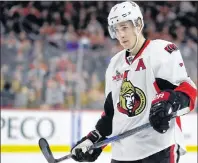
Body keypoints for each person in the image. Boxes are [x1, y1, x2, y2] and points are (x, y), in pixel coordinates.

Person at [70, 1, 197, 163]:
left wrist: (169, 102)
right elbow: (112, 115)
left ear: (138, 25)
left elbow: (188, 91)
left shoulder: (160, 52)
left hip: (157, 149)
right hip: (122, 155)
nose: (121, 34)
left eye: (124, 28)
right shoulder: (115, 64)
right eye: (116, 29)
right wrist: (93, 140)